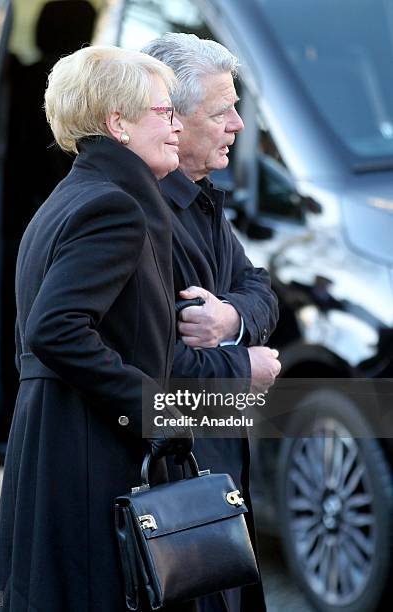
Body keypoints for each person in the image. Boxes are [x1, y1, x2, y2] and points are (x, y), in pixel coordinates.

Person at [0, 45, 193, 612]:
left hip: (57, 439)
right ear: (118, 124)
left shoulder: (71, 197)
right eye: (162, 112)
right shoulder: (115, 206)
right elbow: (54, 329)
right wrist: (152, 409)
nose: (176, 124)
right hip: (88, 449)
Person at [143, 33, 281, 611]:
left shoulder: (201, 195)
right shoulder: (144, 210)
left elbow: (261, 291)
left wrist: (230, 319)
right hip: (176, 481)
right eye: (221, 111)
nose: (238, 125)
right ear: (171, 117)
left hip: (218, 470)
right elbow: (157, 367)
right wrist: (240, 363)